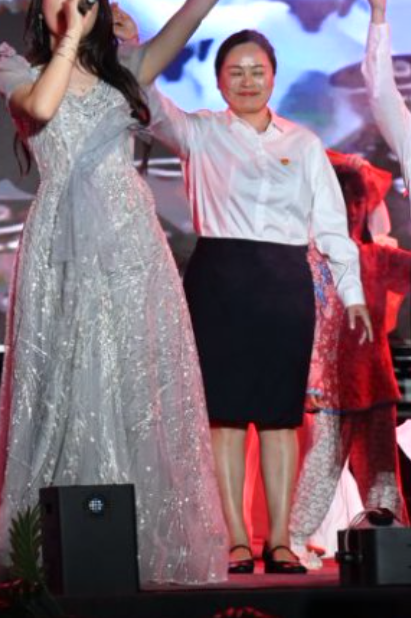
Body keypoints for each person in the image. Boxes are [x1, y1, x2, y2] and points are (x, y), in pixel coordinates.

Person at [0, 0, 292, 587]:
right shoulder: (15, 71)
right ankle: (62, 542)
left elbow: (194, 11)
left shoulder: (129, 75)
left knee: (135, 378)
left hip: (130, 238)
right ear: (41, 5)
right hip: (62, 241)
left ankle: (145, 538)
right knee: (68, 379)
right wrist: (71, 40)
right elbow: (43, 107)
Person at [144, 28, 369, 574]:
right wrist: (130, 47)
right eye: (235, 72)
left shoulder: (303, 143)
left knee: (279, 417)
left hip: (284, 283)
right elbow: (145, 98)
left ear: (274, 77)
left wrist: (353, 294)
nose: (247, 81)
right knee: (223, 417)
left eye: (257, 71)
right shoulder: (199, 132)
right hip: (219, 279)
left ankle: (280, 541)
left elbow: (332, 226)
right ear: (219, 81)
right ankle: (237, 540)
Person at [295, 144, 410, 539]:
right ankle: (293, 540)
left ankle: (391, 542)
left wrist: (359, 171)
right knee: (320, 470)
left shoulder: (379, 257)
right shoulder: (311, 260)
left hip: (374, 381)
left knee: (382, 474)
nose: (351, 209)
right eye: (343, 200)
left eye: (358, 201)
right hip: (329, 385)